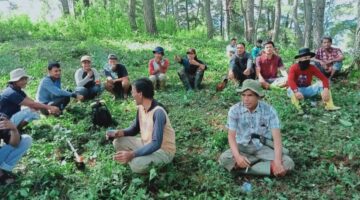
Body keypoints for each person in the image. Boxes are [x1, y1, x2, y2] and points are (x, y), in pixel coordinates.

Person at [219, 79, 294, 176]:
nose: (246, 99)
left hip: (262, 148)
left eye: (250, 95)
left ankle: (245, 167)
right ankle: (266, 167)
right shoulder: (234, 110)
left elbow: (277, 138)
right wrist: (237, 157)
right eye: (243, 95)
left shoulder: (269, 111)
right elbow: (231, 136)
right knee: (224, 159)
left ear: (258, 96)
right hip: (242, 147)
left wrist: (278, 162)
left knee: (288, 163)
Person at [108, 78, 176, 174]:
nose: (132, 95)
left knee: (136, 164)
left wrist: (132, 154)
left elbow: (156, 144)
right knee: (118, 142)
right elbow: (134, 129)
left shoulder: (158, 112)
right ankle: (139, 156)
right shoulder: (141, 107)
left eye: (133, 92)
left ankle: (135, 159)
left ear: (140, 94)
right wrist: (119, 132)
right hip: (146, 143)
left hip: (163, 151)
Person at [288, 48, 340, 114]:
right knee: (290, 89)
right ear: (300, 59)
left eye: (308, 58)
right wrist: (296, 91)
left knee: (321, 84)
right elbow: (290, 80)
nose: (307, 60)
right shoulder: (293, 67)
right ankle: (299, 109)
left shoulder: (312, 67)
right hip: (296, 90)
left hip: (307, 90)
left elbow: (324, 79)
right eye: (305, 58)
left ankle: (329, 105)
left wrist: (326, 89)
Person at [0, 113, 32, 185]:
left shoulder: (1, 118)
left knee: (26, 140)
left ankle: (4, 169)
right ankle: (1, 175)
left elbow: (15, 144)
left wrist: (13, 129)